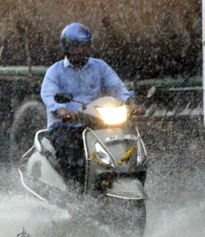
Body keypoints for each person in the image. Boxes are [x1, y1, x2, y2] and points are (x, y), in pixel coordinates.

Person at [40, 22, 136, 190]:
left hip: (96, 124)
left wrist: (130, 103)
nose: (81, 51)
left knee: (125, 139)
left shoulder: (100, 67)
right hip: (66, 126)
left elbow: (117, 87)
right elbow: (48, 94)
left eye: (85, 46)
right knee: (72, 154)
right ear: (66, 47)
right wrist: (61, 110)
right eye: (76, 47)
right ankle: (75, 191)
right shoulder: (55, 72)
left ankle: (123, 175)